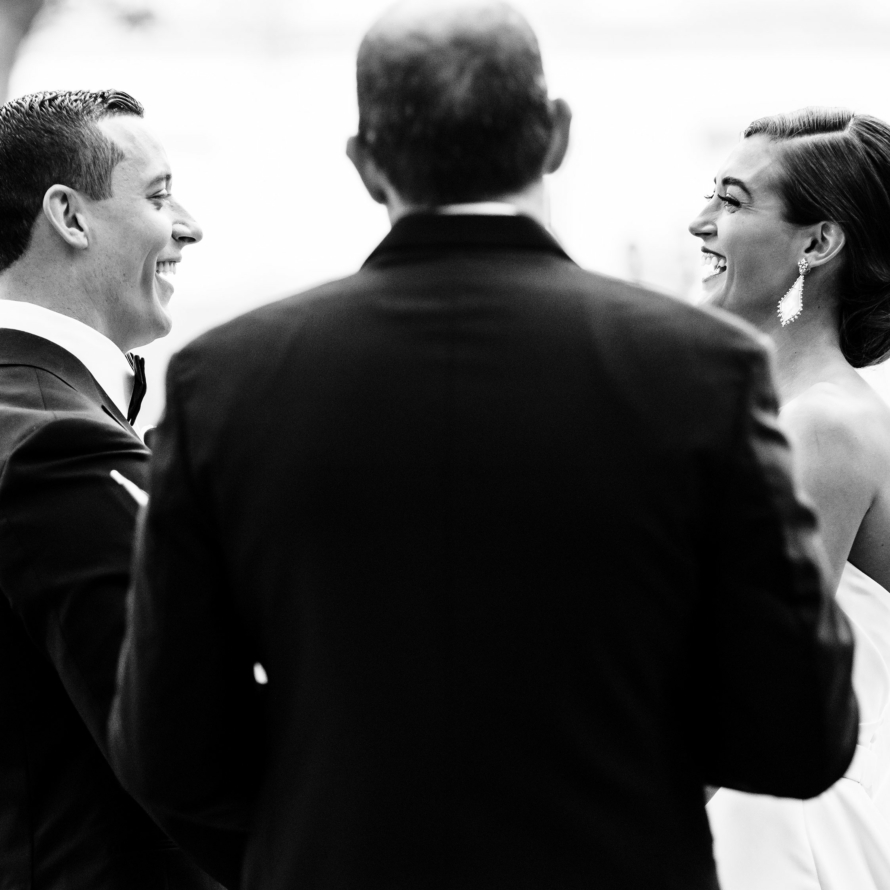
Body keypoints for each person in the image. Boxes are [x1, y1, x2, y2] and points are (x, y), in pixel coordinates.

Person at [110, 5, 858, 889]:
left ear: (364, 163)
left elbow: (168, 749)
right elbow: (798, 735)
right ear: (556, 135)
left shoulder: (226, 378)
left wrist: (330, 787)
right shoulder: (702, 371)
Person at [0, 89, 234, 889]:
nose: (189, 227)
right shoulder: (55, 446)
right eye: (159, 197)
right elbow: (183, 734)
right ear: (69, 216)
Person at [691, 107, 890, 890]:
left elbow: (750, 681)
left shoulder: (822, 427)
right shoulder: (785, 417)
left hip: (790, 836)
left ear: (817, 243)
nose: (700, 222)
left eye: (732, 201)